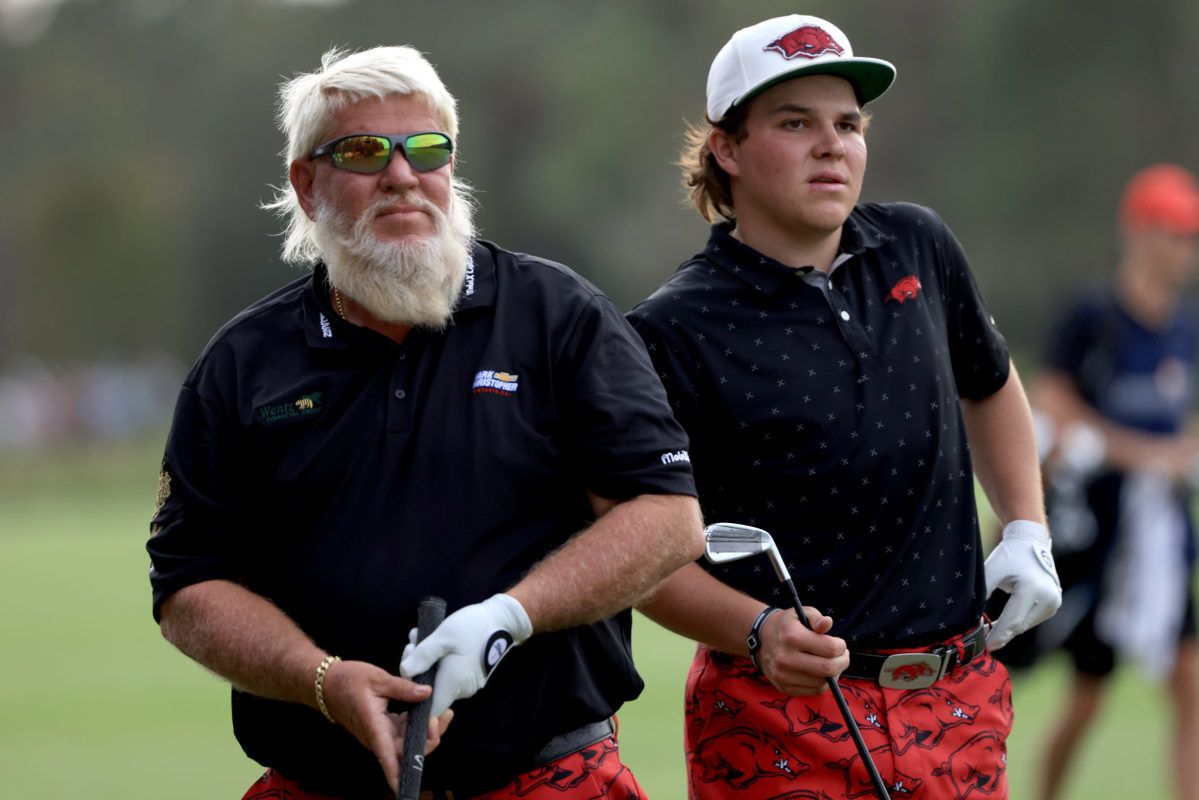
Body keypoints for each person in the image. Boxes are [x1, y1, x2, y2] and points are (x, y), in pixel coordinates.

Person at [146, 45, 703, 800]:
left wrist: (511, 615)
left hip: (547, 778)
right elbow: (189, 582)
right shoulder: (244, 362)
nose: (401, 175)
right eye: (365, 151)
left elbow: (666, 518)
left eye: (426, 149)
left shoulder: (557, 316)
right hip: (317, 784)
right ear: (307, 184)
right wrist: (323, 681)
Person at [627, 14, 1062, 799]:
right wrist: (753, 631)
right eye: (795, 123)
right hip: (777, 719)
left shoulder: (916, 245)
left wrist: (1026, 525)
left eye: (847, 124)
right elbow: (636, 549)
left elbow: (989, 380)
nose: (832, 144)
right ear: (726, 148)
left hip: (957, 702)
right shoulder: (671, 329)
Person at [1028, 164, 1199, 800]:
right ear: (1139, 232)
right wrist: (1146, 455)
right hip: (1099, 537)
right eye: (1171, 232)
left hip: (1162, 536)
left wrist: (1177, 456)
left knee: (1190, 683)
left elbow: (1176, 421)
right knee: (1088, 700)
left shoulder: (1184, 324)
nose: (1183, 248)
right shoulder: (1092, 315)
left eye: (1190, 235)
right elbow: (1054, 408)